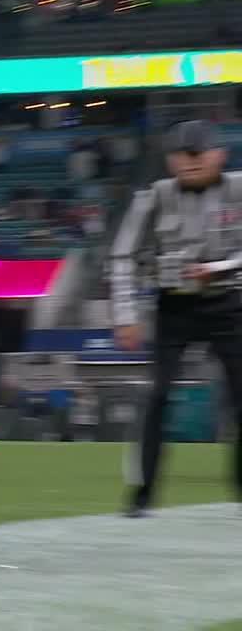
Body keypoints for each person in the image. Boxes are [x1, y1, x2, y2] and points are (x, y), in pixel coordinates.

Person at [111, 120, 242, 517]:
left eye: (197, 153)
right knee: (156, 396)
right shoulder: (153, 197)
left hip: (229, 304)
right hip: (174, 306)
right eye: (180, 155)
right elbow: (122, 256)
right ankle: (142, 493)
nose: (188, 162)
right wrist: (126, 314)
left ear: (218, 154)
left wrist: (218, 268)